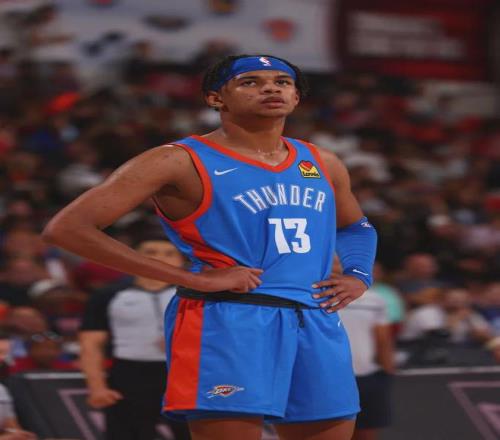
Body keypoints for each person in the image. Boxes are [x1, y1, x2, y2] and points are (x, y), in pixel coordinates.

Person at [42, 54, 377, 440]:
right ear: (216, 98)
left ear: (296, 97)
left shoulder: (322, 162)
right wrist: (188, 278)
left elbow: (357, 227)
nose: (270, 88)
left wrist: (358, 274)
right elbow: (67, 229)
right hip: (229, 317)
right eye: (250, 82)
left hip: (315, 317)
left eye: (282, 82)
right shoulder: (176, 160)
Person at [79, 237, 191, 440]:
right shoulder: (108, 294)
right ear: (135, 257)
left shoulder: (195, 295)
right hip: (129, 376)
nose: (159, 258)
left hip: (185, 374)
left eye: (169, 253)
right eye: (151, 252)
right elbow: (90, 344)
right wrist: (97, 387)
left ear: (181, 260)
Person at [339, 289, 394, 440]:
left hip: (352, 377)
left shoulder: (313, 295)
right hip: (357, 378)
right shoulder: (375, 298)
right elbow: (383, 339)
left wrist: (386, 372)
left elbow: (382, 339)